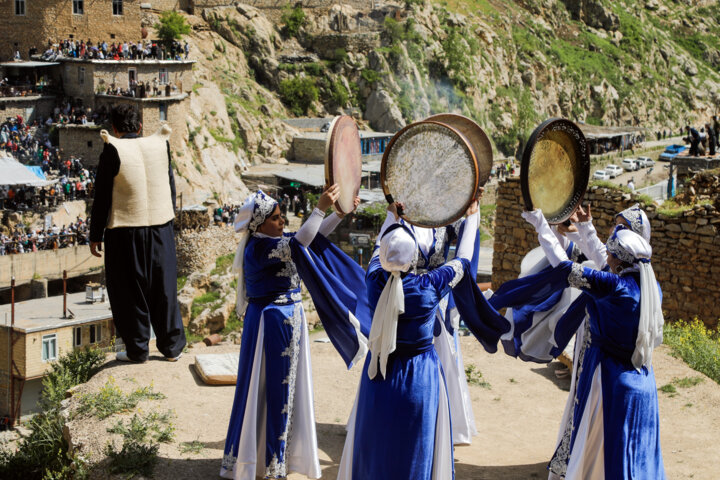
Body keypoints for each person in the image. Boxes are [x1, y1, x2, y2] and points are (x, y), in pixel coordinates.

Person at [338, 201, 510, 480]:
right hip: (419, 377)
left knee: (377, 445)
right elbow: (464, 260)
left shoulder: (373, 279)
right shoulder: (428, 287)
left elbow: (377, 248)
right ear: (411, 259)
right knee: (415, 450)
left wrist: (391, 216)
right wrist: (473, 216)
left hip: (378, 375)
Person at [493, 207, 665, 479]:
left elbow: (564, 268)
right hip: (642, 380)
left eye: (610, 254)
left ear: (619, 261)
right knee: (632, 452)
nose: (605, 257)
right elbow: (597, 259)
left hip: (607, 377)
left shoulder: (614, 287)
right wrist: (586, 229)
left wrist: (541, 226)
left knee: (595, 443)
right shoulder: (651, 287)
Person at [222, 187, 369, 480]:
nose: (281, 222)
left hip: (285, 322)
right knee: (272, 389)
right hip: (271, 323)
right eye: (275, 218)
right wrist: (319, 208)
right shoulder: (260, 248)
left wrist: (337, 213)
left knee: (282, 389)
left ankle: (275, 460)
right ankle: (268, 462)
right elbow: (302, 239)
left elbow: (311, 237)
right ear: (259, 224)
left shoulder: (274, 240)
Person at [89, 103, 185, 363]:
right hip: (160, 226)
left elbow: (102, 197)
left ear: (114, 128)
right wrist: (167, 219)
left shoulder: (113, 148)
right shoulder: (159, 144)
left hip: (125, 230)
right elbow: (169, 186)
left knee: (129, 291)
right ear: (140, 126)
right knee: (164, 288)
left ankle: (138, 350)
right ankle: (172, 348)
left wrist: (95, 233)